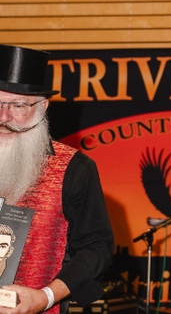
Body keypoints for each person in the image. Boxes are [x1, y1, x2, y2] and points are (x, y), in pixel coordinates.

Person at [0, 44, 114, 314]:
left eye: (18, 105)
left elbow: (97, 248)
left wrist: (46, 297)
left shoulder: (74, 168)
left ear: (42, 106)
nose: (4, 117)